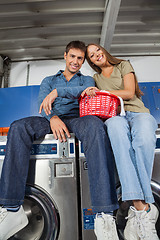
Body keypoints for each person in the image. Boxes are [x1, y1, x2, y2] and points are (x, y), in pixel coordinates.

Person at [0, 41, 119, 240]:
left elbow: (86, 94)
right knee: (18, 127)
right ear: (65, 56)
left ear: (83, 62)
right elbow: (42, 102)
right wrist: (53, 118)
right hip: (50, 120)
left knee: (96, 126)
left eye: (80, 58)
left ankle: (104, 215)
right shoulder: (49, 79)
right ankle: (12, 209)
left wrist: (59, 93)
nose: (75, 61)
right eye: (72, 56)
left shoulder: (87, 80)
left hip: (78, 119)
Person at [83, 43, 159, 240]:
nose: (96, 55)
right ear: (91, 61)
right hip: (115, 116)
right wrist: (90, 91)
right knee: (119, 142)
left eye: (97, 50)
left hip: (136, 112)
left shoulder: (123, 65)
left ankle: (139, 208)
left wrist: (103, 93)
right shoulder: (96, 78)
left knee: (142, 141)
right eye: (92, 55)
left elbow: (129, 92)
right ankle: (143, 209)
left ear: (103, 51)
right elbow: (94, 100)